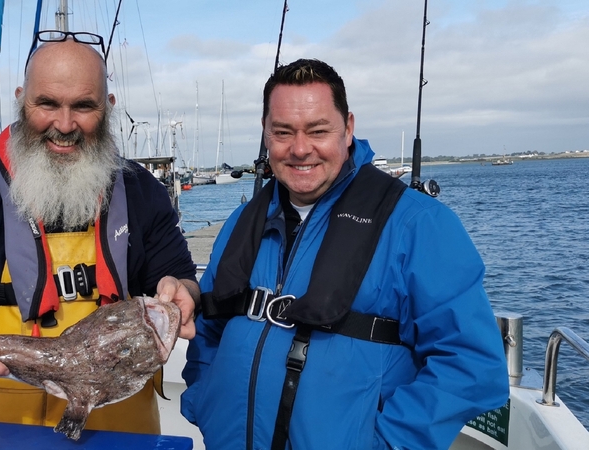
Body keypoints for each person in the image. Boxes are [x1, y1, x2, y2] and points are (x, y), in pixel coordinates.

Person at [0, 34, 199, 435]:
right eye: (47, 104)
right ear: (21, 101)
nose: (64, 125)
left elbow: (181, 277)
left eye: (84, 106)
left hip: (121, 428)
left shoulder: (142, 191)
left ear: (108, 108)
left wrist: (183, 292)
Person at [180, 58, 509, 449]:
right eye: (283, 132)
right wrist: (204, 401)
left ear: (348, 128)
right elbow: (210, 326)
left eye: (318, 130)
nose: (300, 149)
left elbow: (471, 363)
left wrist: (387, 444)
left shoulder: (418, 224)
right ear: (266, 132)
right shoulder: (242, 222)